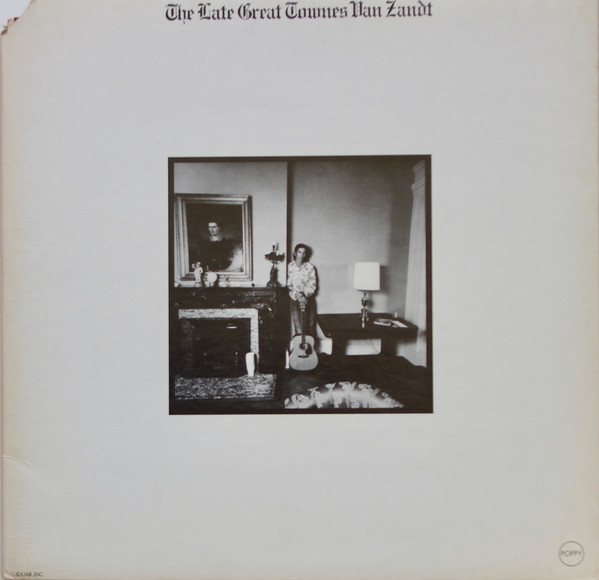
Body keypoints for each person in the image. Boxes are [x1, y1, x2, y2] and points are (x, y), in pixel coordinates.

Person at [287, 243, 317, 337]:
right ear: (295, 253)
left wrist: (304, 295)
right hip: (295, 299)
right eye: (299, 252)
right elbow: (289, 285)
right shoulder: (289, 267)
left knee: (310, 328)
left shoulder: (310, 267)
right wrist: (298, 296)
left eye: (304, 253)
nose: (302, 255)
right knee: (299, 329)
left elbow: (313, 284)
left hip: (308, 299)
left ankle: (310, 347)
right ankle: (299, 346)